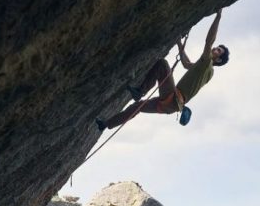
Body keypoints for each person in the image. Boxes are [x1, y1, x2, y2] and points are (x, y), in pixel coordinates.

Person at [96, 8, 229, 131]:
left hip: (174, 98)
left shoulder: (207, 65)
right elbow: (186, 64)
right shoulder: (204, 68)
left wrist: (218, 16)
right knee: (136, 107)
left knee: (163, 65)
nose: (214, 49)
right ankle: (106, 124)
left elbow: (208, 42)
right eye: (216, 47)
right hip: (171, 105)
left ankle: (140, 91)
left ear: (218, 60)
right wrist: (179, 43)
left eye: (218, 50)